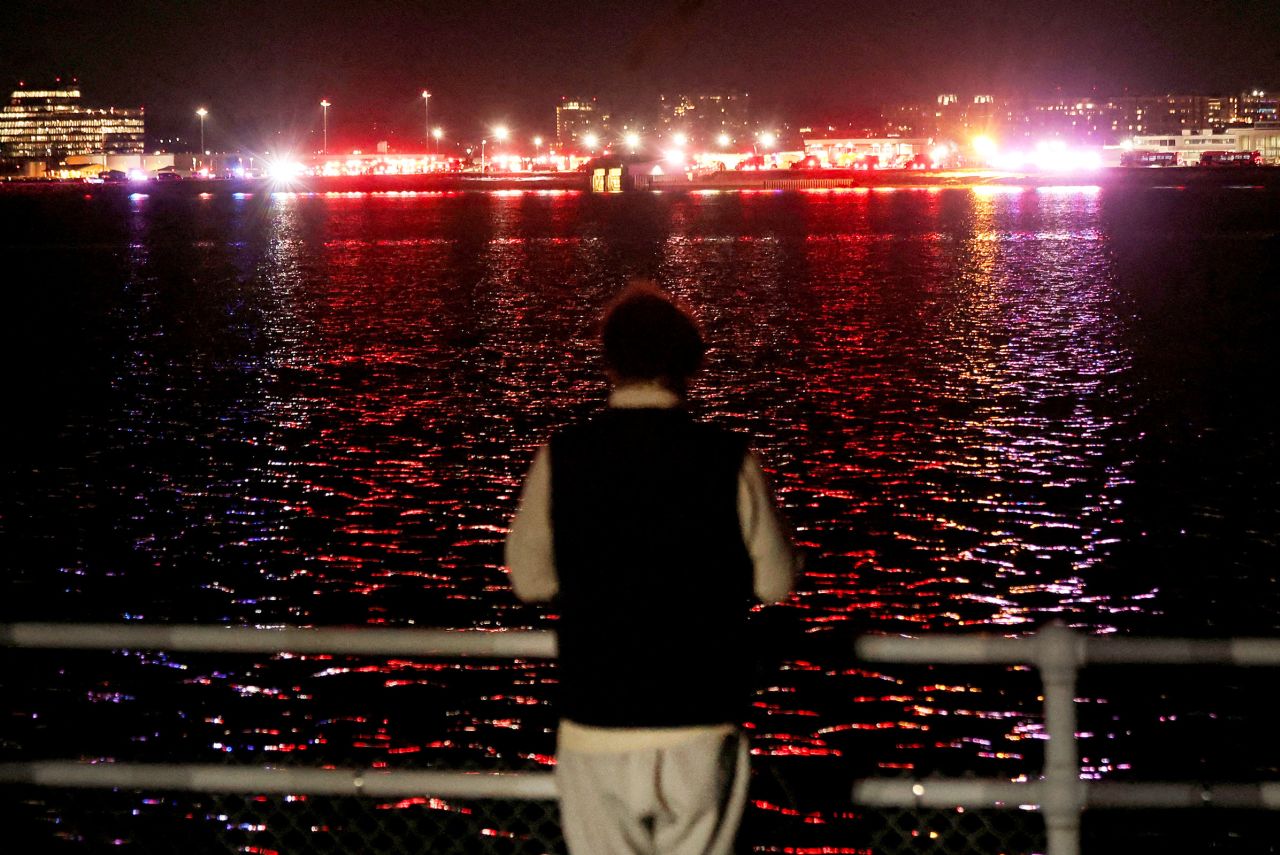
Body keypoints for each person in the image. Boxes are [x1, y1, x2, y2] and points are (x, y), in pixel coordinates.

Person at [505, 281, 797, 855]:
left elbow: (531, 580)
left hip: (597, 718)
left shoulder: (563, 455)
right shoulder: (729, 457)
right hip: (702, 717)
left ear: (608, 362)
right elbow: (776, 583)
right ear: (689, 362)